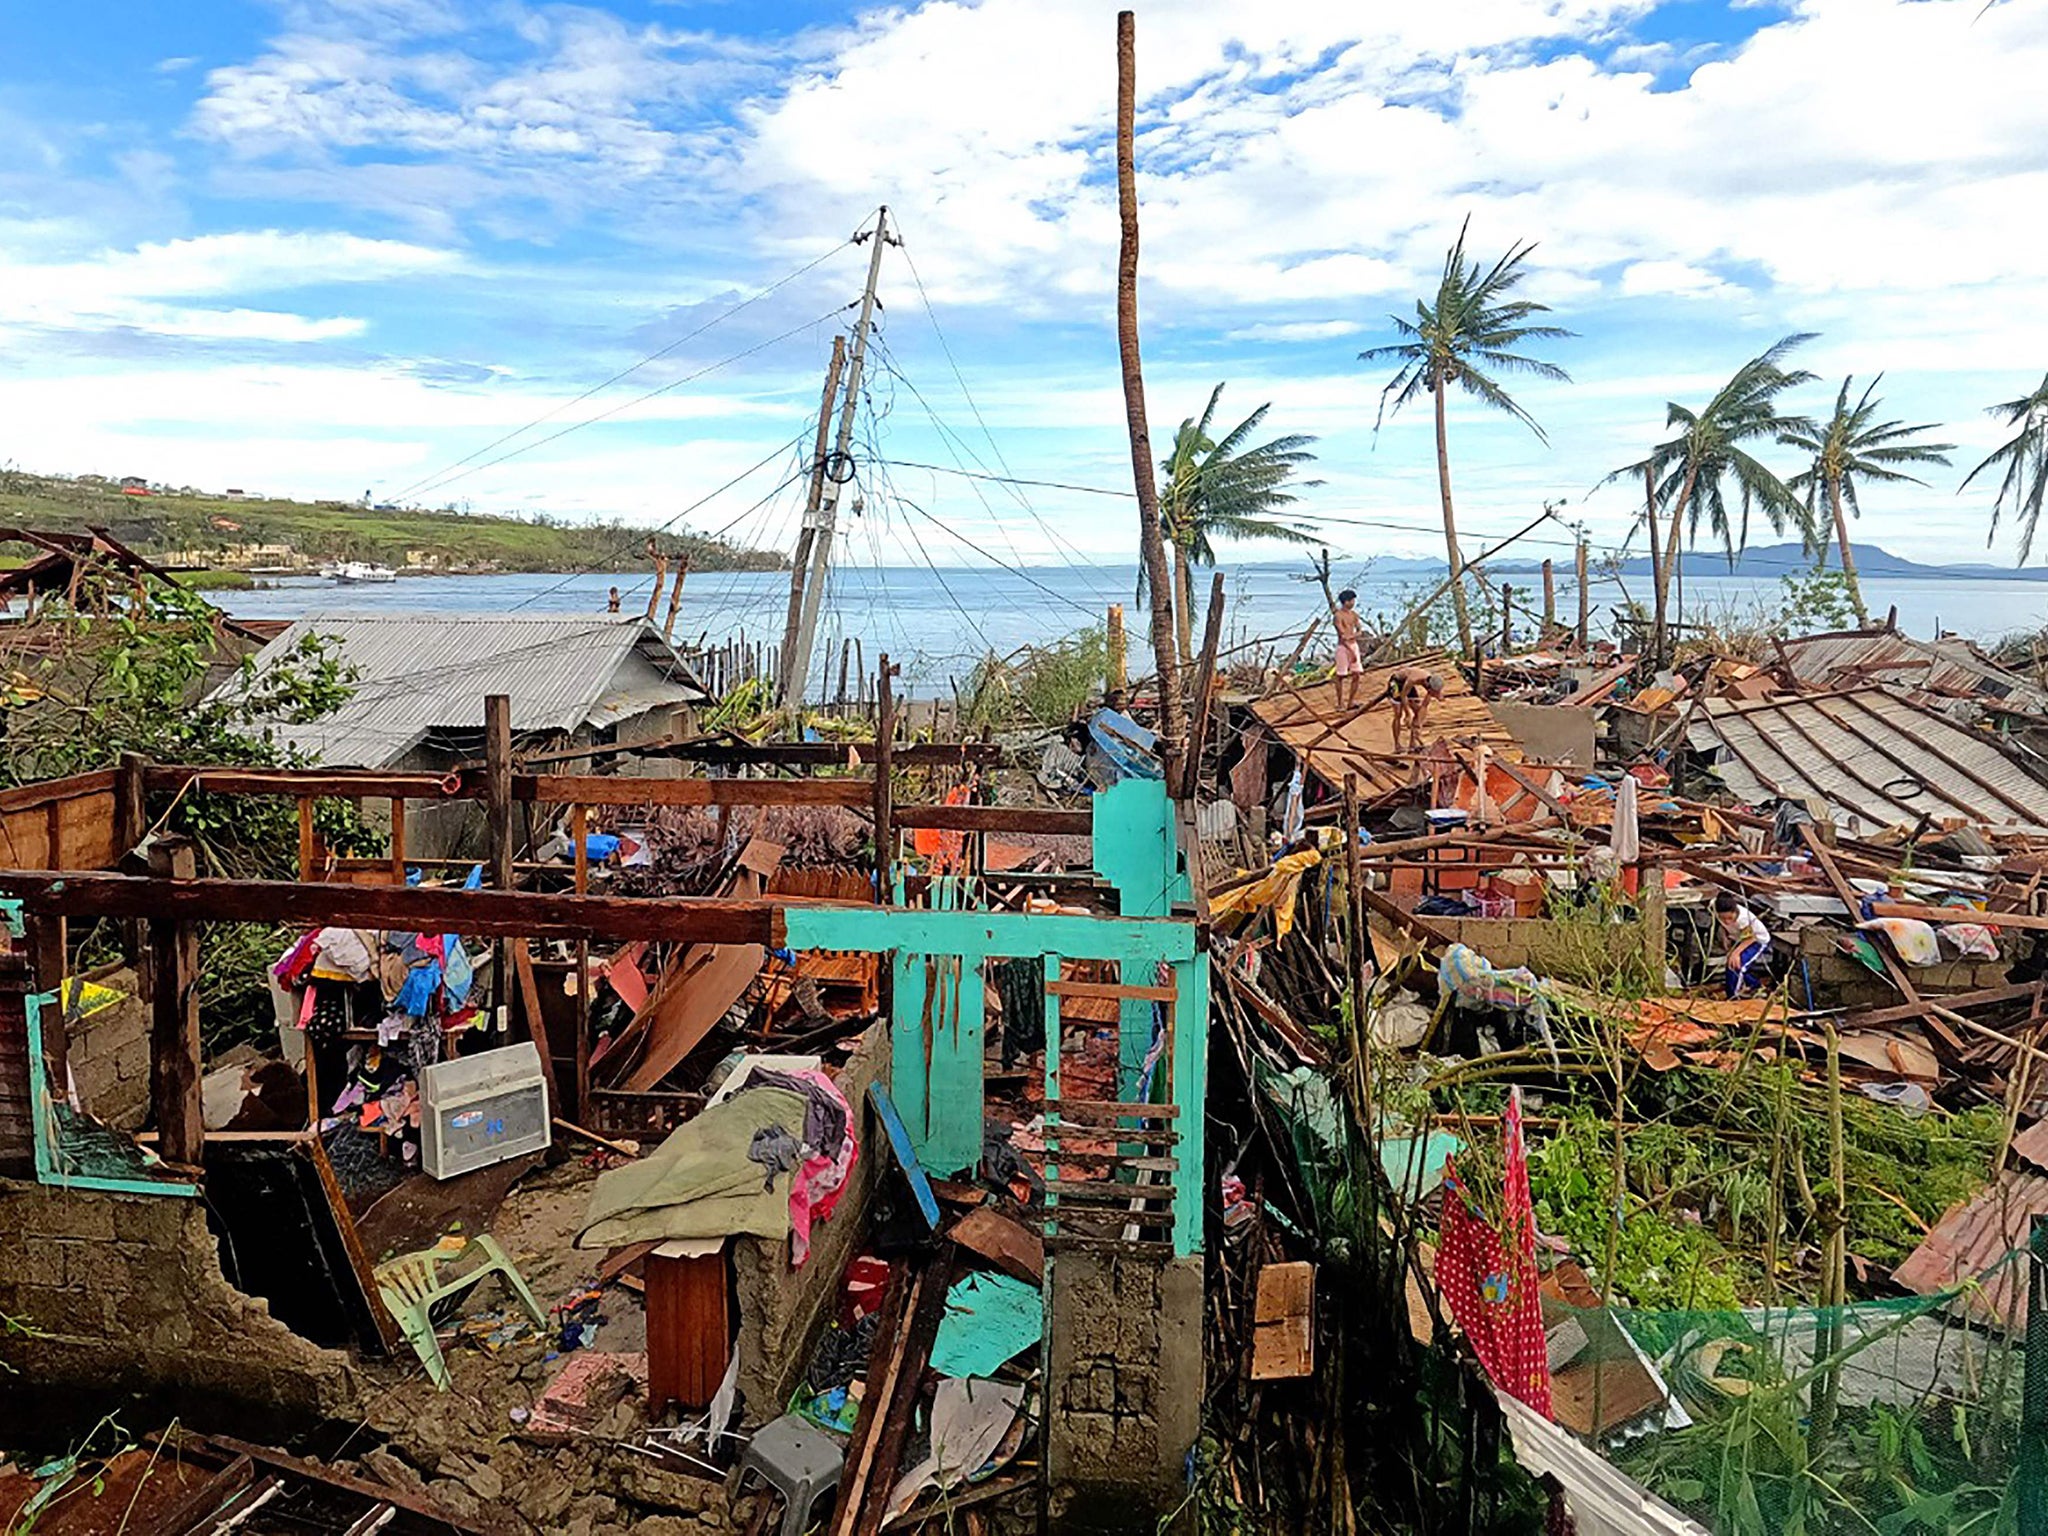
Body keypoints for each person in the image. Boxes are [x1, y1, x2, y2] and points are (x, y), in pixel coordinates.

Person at [1716, 891, 1772, 998]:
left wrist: (1736, 953)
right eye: (1723, 918)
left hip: (1756, 940)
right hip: (1738, 938)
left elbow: (1750, 937)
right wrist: (1724, 936)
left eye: (1730, 918)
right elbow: (1722, 924)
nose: (1727, 921)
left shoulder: (1743, 919)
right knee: (1731, 966)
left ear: (1735, 912)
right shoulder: (1715, 907)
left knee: (1738, 966)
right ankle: (1755, 985)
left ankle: (1733, 996)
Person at [1384, 666, 1445, 752]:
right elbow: (1403, 695)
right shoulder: (1414, 679)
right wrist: (1407, 714)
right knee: (1398, 713)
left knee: (1417, 710)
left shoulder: (1432, 685)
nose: (1430, 692)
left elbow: (1424, 706)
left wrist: (1418, 724)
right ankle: (1397, 745)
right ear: (1427, 684)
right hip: (1397, 683)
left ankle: (1412, 744)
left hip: (1408, 686)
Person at [1331, 589, 1364, 709]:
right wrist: (1350, 641)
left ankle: (1351, 701)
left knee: (1357, 674)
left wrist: (1352, 636)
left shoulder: (1354, 615)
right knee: (1340, 675)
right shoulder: (1338, 616)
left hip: (1353, 645)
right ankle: (1340, 702)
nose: (1353, 602)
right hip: (1343, 648)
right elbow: (1342, 635)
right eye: (1352, 600)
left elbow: (1359, 630)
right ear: (1346, 602)